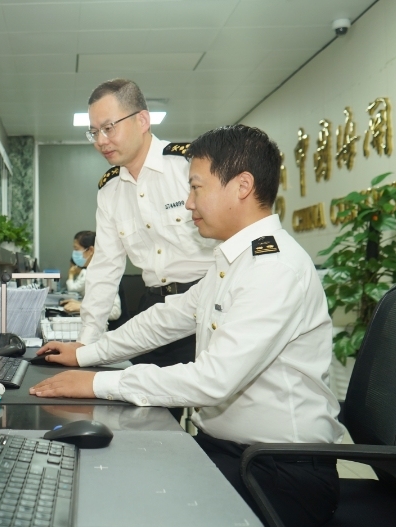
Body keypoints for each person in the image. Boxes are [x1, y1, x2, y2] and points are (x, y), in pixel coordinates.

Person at [30, 125, 345, 527]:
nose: (188, 203)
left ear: (242, 186)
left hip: (279, 472)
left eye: (196, 188)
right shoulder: (234, 259)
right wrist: (87, 354)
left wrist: (95, 384)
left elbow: (213, 380)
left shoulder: (274, 268)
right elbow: (168, 318)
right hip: (232, 452)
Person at [80, 78, 216, 369]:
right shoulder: (110, 191)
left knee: (213, 409)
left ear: (142, 120)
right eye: (93, 132)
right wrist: (85, 343)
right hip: (155, 309)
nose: (101, 140)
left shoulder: (188, 166)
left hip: (209, 305)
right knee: (138, 407)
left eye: (108, 127)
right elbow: (105, 268)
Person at [62, 231, 122, 322]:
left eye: (76, 249)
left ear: (90, 250)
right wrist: (80, 304)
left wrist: (82, 307)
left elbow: (115, 312)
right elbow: (98, 304)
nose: (74, 253)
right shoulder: (91, 271)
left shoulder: (103, 274)